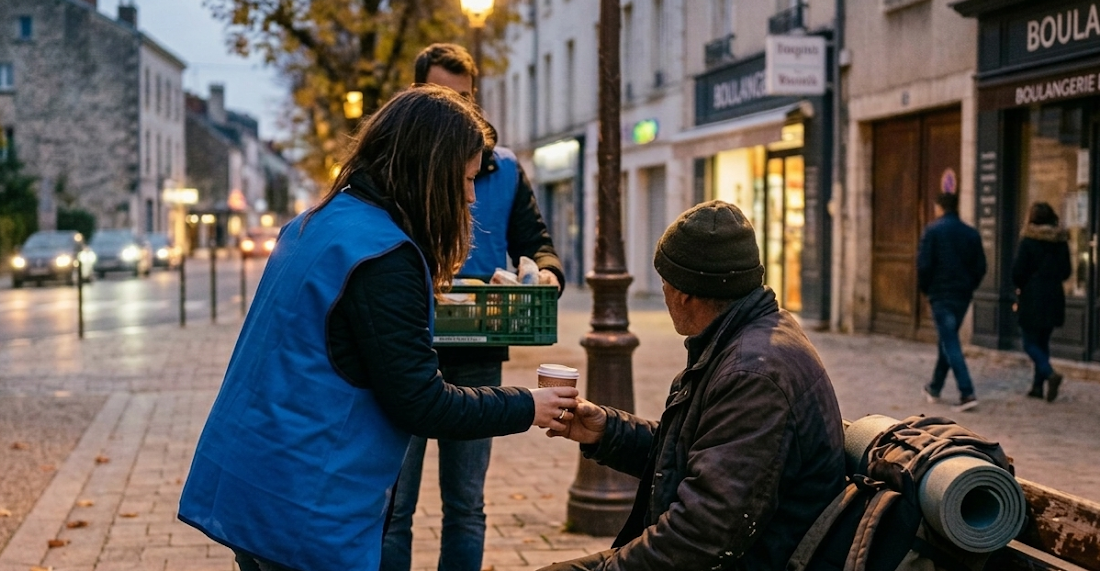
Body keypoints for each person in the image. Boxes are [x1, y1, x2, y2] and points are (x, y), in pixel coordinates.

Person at [177, 85, 580, 571]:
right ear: (429, 172)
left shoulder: (318, 222)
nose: (472, 196)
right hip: (305, 497)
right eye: (466, 178)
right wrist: (528, 405)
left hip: (253, 475)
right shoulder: (384, 257)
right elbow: (420, 402)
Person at [540, 201, 845, 571]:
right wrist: (606, 431)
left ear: (684, 293)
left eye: (664, 283)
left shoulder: (752, 376)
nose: (664, 293)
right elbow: (697, 456)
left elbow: (700, 536)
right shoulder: (748, 339)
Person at [382, 43, 564, 571]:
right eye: (442, 95)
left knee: (467, 505)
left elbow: (536, 240)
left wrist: (546, 272)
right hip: (410, 346)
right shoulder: (401, 168)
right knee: (394, 507)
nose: (456, 108)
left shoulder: (504, 168)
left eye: (464, 97)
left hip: (480, 343)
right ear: (418, 96)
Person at [918, 191, 987, 412]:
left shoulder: (933, 231)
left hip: (941, 295)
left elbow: (924, 266)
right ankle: (935, 387)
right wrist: (969, 286)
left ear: (939, 207)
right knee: (947, 340)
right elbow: (980, 267)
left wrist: (926, 289)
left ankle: (967, 392)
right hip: (962, 295)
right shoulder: (970, 233)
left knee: (950, 342)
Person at [1012, 201, 1070, 402]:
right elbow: (1067, 271)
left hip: (1032, 297)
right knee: (1043, 342)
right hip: (1054, 296)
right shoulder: (1060, 241)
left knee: (1029, 343)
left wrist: (1023, 284)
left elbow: (1017, 271)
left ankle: (1049, 373)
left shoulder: (1028, 240)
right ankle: (1037, 388)